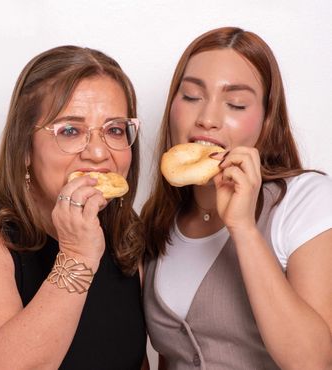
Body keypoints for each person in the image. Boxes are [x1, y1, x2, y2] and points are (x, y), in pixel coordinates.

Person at [142, 26, 332, 369]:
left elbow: (313, 361)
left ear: (266, 119)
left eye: (236, 103)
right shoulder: (155, 222)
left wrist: (243, 228)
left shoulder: (305, 201)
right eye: (190, 96)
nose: (208, 119)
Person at [0, 45, 149, 369]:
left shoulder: (125, 229)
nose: (98, 152)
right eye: (71, 130)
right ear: (24, 147)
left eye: (115, 130)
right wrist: (78, 256)